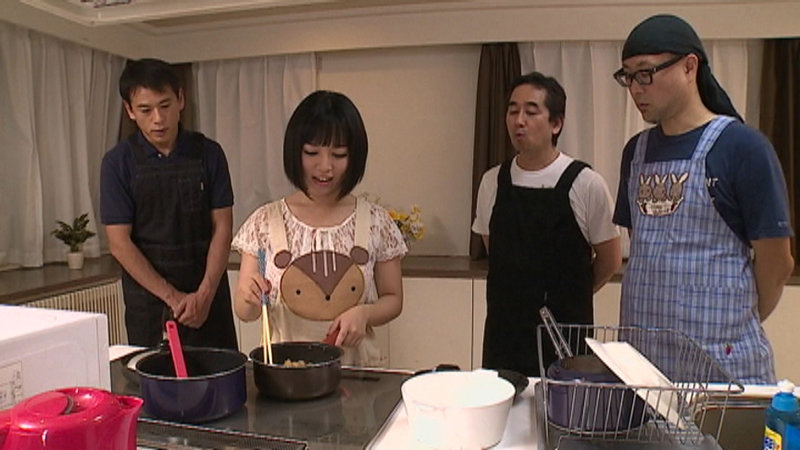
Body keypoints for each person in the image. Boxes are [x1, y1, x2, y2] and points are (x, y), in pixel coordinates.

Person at [613, 14, 794, 383]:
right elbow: (645, 248)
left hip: (722, 367)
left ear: (689, 67)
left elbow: (777, 262)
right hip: (645, 369)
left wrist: (732, 320)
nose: (635, 88)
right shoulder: (635, 152)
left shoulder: (742, 147)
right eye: (628, 76)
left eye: (645, 73)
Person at [232, 90, 407, 367]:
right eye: (311, 152)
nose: (325, 167)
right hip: (285, 375)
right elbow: (245, 312)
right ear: (295, 151)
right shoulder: (264, 222)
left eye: (339, 154)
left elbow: (393, 298)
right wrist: (249, 297)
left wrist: (365, 314)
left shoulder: (375, 221)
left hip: (355, 373)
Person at [472, 72, 621, 376]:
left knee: (564, 402)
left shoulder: (586, 183)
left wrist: (569, 295)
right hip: (504, 333)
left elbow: (610, 260)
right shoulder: (492, 182)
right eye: (513, 111)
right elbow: (495, 249)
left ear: (556, 123)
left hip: (564, 334)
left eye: (531, 111)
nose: (519, 121)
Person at [100, 58, 238, 349]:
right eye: (145, 110)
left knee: (221, 372)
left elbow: (223, 227)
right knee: (155, 375)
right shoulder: (117, 163)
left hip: (207, 296)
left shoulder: (209, 153)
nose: (158, 119)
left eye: (165, 105)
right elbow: (119, 243)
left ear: (181, 100)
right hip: (149, 303)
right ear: (130, 111)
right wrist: (173, 298)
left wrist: (204, 294)